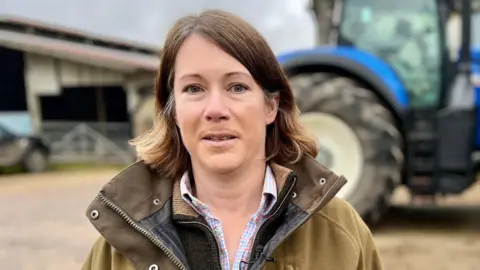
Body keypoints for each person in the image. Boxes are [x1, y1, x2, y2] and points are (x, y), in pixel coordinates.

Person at [82, 9, 384, 270]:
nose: (215, 110)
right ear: (172, 111)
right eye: (194, 89)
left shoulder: (340, 229)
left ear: (270, 106)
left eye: (237, 87)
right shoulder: (120, 241)